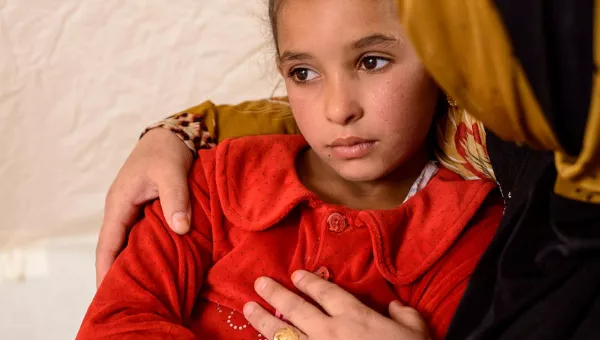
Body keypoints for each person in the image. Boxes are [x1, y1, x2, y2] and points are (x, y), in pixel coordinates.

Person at [94, 1, 600, 340]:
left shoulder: (470, 232)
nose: (338, 110)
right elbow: (114, 322)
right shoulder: (211, 184)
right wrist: (183, 130)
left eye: (373, 62)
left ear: (440, 64)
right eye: (304, 73)